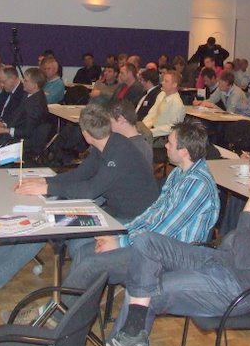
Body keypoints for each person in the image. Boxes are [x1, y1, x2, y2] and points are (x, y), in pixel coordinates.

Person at [107, 144, 250, 346]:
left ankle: (127, 339)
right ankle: (132, 337)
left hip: (236, 287)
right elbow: (240, 244)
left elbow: (243, 258)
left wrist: (248, 212)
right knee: (146, 241)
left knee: (144, 290)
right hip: (220, 260)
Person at [0, 102, 159, 288]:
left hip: (133, 219)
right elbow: (80, 174)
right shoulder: (106, 143)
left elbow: (91, 190)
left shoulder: (119, 152)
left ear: (85, 134)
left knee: (51, 223)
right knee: (46, 220)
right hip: (113, 211)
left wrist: (47, 189)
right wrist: (46, 182)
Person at [57, 121, 220, 313]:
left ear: (183, 151)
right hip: (156, 246)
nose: (165, 146)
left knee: (90, 264)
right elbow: (152, 214)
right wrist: (120, 235)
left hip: (174, 257)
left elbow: (164, 230)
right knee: (85, 251)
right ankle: (75, 315)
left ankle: (58, 318)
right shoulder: (179, 173)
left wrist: (121, 242)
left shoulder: (197, 184)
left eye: (170, 143)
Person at [142, 71, 186, 143]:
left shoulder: (177, 103)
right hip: (150, 130)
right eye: (163, 80)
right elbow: (152, 113)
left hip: (162, 137)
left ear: (174, 85)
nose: (162, 83)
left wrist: (150, 131)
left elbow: (171, 128)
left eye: (166, 81)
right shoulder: (161, 94)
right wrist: (143, 126)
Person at [108, 99, 153, 164]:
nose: (108, 125)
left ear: (121, 119)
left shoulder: (135, 149)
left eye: (109, 122)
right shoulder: (128, 142)